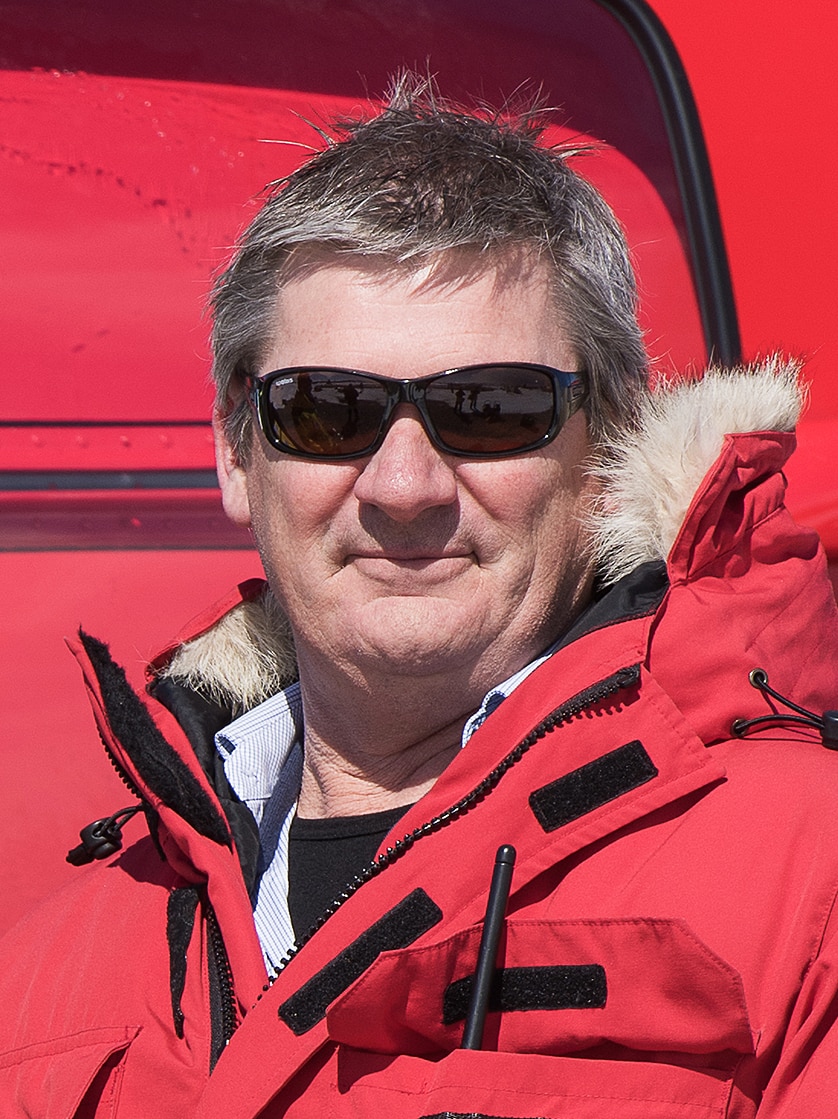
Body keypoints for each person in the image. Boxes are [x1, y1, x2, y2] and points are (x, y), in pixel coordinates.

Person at [1, 76, 837, 1119]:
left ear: (609, 443)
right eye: (327, 411)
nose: (404, 487)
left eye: (487, 409)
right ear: (232, 448)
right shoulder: (43, 986)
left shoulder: (810, 880)